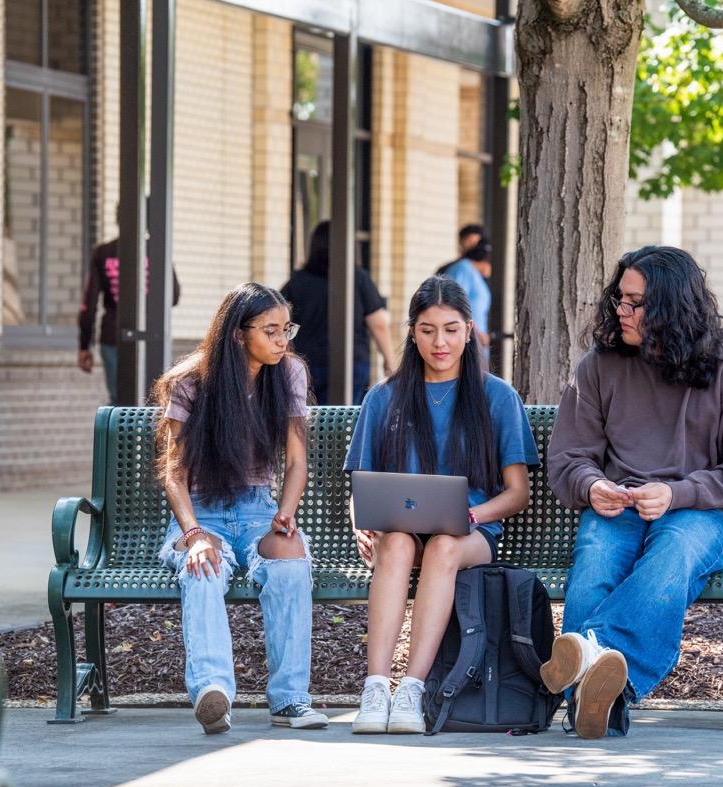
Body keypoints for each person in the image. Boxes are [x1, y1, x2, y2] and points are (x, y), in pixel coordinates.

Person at [542, 245, 723, 739]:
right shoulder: (600, 366)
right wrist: (592, 484)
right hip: (619, 504)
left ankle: (585, 659)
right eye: (619, 299)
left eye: (636, 303)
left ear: (671, 307)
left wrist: (676, 493)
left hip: (701, 511)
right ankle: (603, 698)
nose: (621, 311)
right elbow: (567, 458)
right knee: (596, 560)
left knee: (675, 550)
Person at [344, 276, 539, 735]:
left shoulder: (496, 397)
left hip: (472, 533)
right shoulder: (384, 397)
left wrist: (471, 515)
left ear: (469, 331)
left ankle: (412, 689)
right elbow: (362, 485)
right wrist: (360, 525)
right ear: (413, 332)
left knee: (444, 546)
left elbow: (517, 493)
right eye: (428, 329)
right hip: (401, 528)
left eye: (451, 329)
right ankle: (375, 687)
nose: (440, 342)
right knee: (395, 545)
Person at [152, 283, 328, 734]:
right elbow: (174, 473)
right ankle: (213, 693)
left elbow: (297, 461)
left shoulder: (288, 374)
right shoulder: (191, 382)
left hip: (258, 510)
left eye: (286, 329)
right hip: (201, 513)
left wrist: (286, 513)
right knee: (202, 566)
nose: (282, 339)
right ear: (237, 334)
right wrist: (192, 536)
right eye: (270, 331)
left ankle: (290, 700)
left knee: (290, 562)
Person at [78, 204, 182, 404]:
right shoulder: (157, 251)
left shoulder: (103, 253)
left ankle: (115, 435)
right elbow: (174, 296)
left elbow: (88, 305)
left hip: (112, 337)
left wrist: (85, 345)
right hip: (150, 337)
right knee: (150, 402)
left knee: (119, 402)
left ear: (118, 219)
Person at [283, 221, 394, 404]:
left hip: (307, 362)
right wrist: (389, 360)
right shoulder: (358, 278)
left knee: (309, 421)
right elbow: (378, 324)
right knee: (345, 423)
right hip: (352, 362)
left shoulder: (297, 281)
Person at [441, 242, 493, 355]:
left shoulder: (473, 273)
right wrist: (477, 332)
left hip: (475, 339)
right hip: (468, 337)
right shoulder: (463, 269)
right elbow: (454, 303)